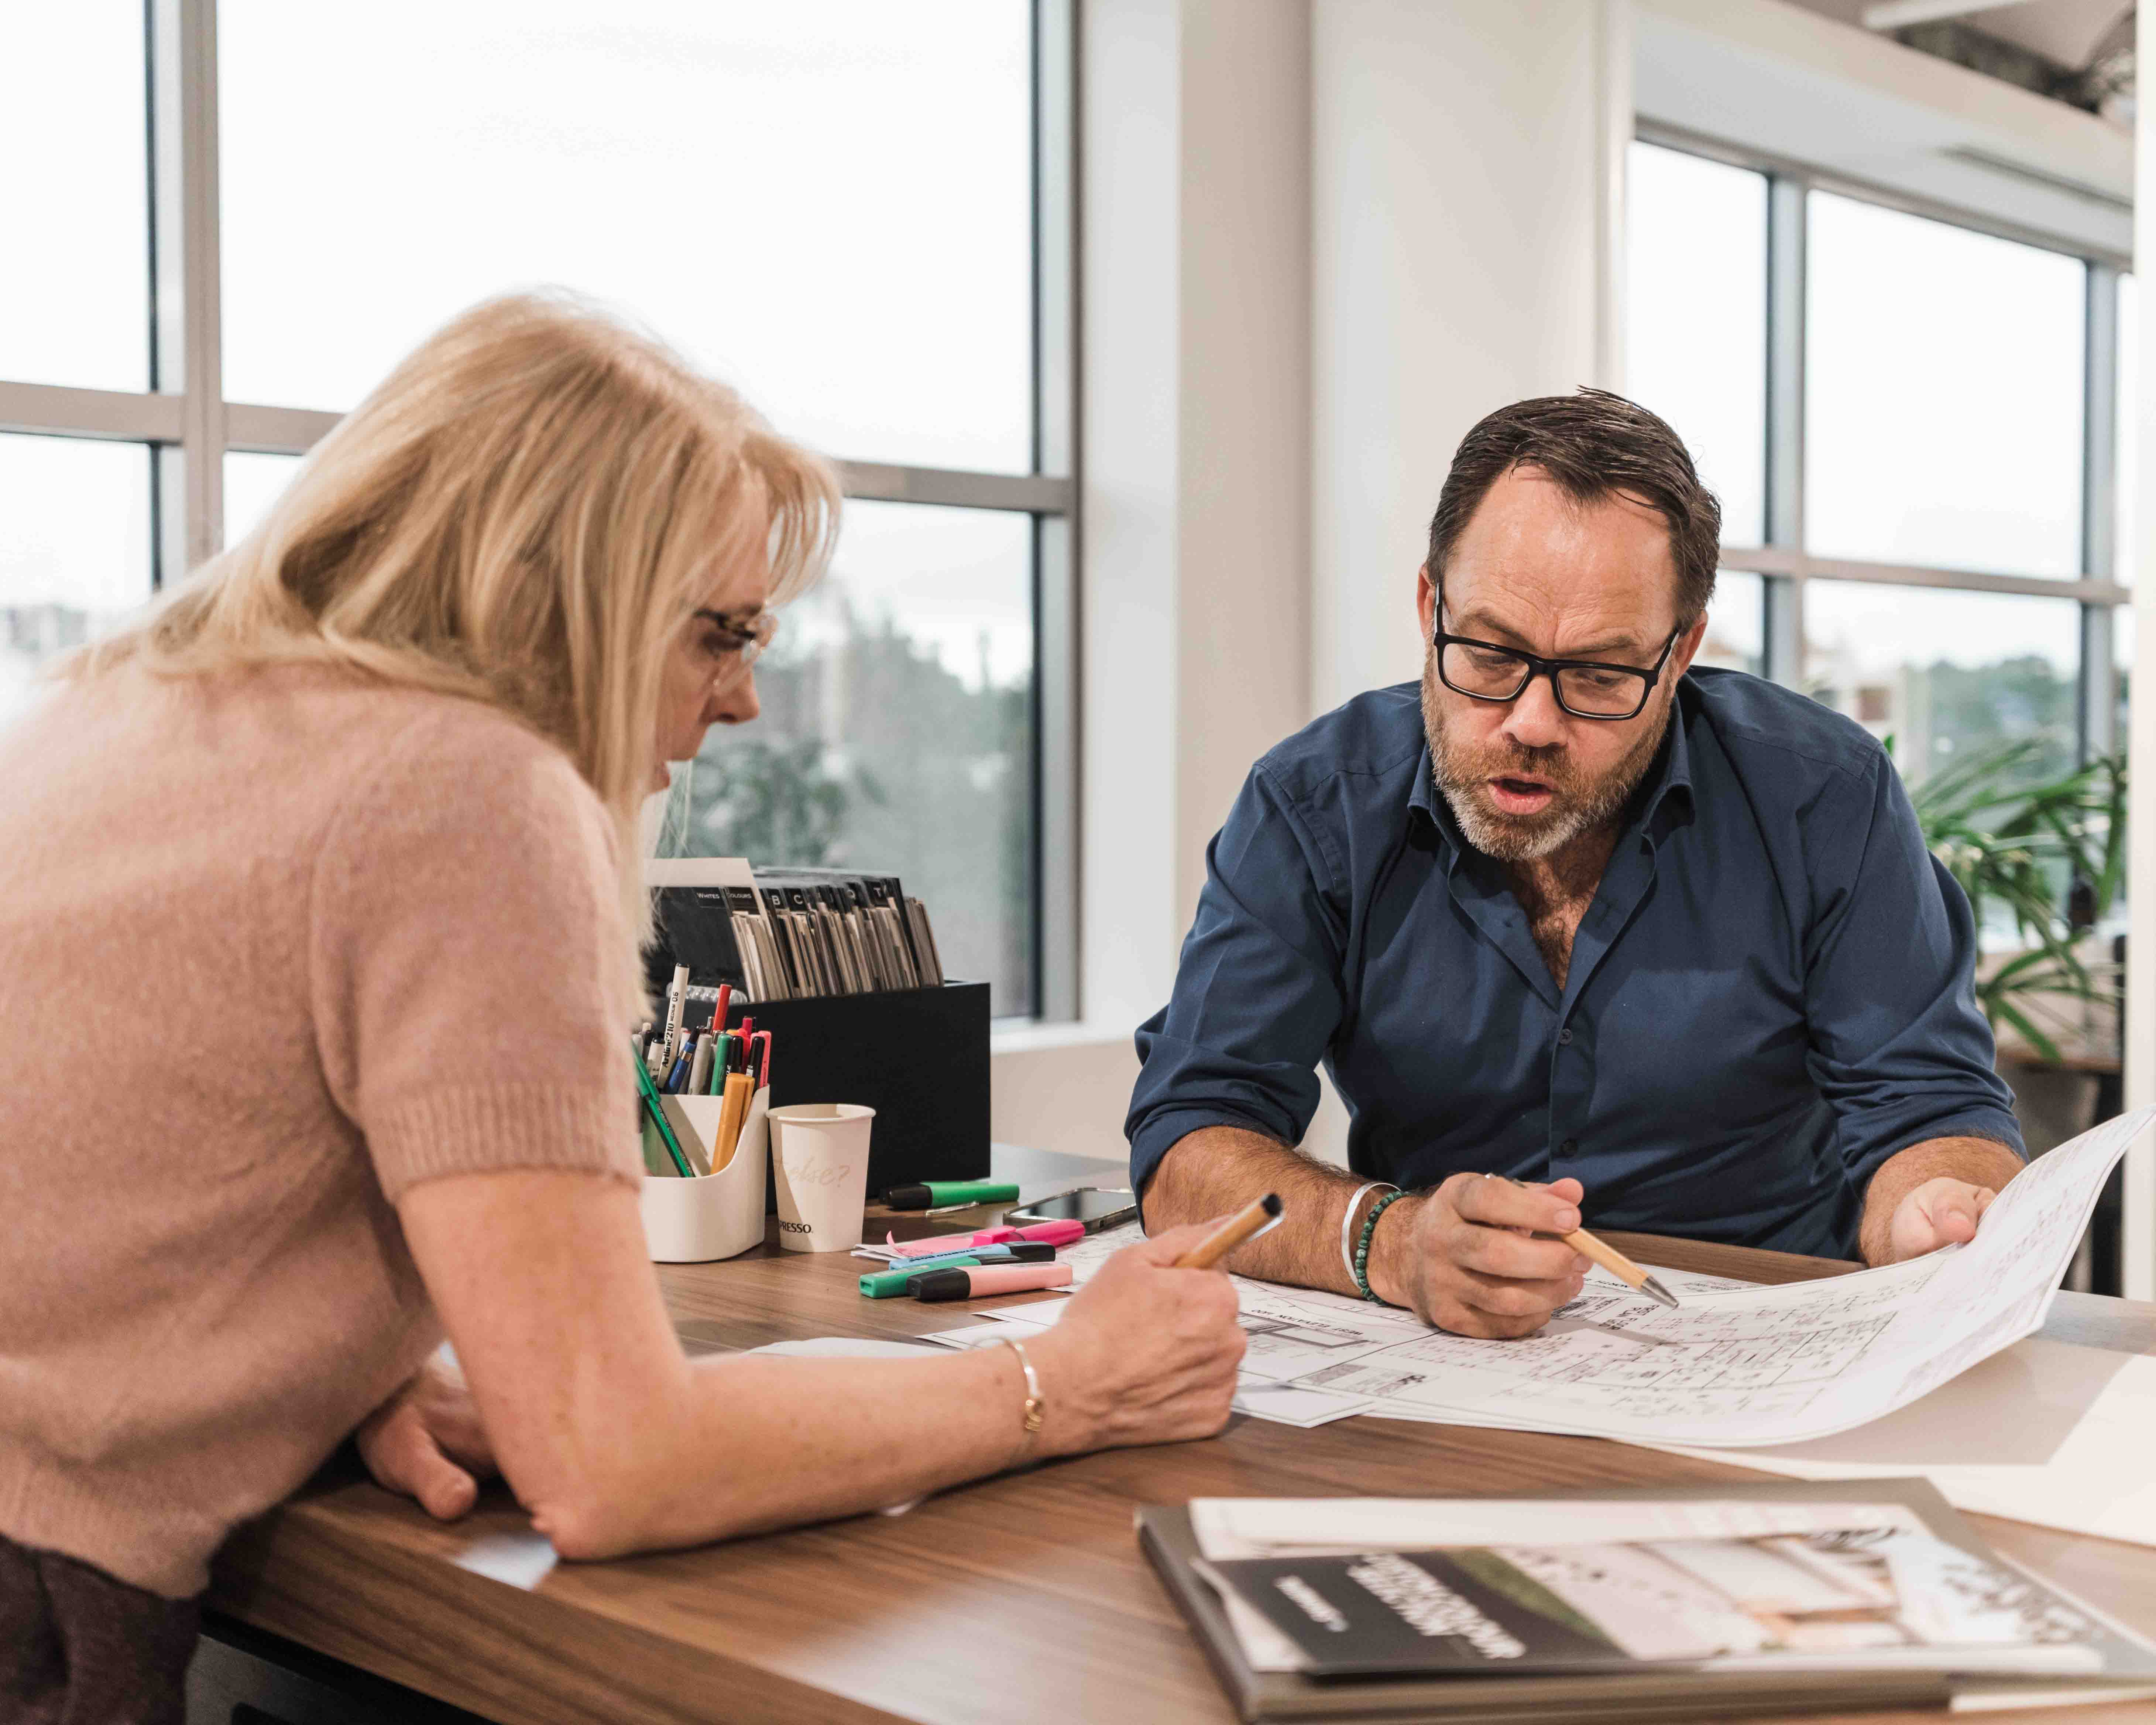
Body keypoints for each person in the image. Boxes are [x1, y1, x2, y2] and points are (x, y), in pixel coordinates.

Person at [0, 292, 1243, 1723]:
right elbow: (612, 1458)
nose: (743, 705)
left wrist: (339, 1372)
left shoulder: (131, 699)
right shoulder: (455, 787)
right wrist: (1061, 1381)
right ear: (555, 594)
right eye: (717, 633)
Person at [1130, 390, 2024, 1340]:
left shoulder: (1821, 793)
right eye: (1488, 652)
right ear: (1430, 603)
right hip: (1440, 1355)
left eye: (1599, 674)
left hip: (1764, 1335)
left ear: (1680, 650)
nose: (1531, 723)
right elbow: (1190, 1136)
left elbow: (1928, 1106)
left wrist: (1932, 1206)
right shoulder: (1316, 802)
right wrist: (1387, 1241)